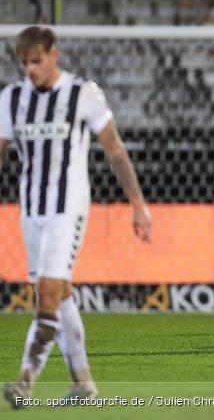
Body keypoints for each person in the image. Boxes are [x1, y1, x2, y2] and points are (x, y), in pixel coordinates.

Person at [2, 27, 153, 409]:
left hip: (68, 208)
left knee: (47, 295)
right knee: (60, 293)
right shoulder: (12, 98)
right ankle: (83, 382)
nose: (30, 70)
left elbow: (115, 151)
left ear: (54, 54)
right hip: (31, 210)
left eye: (36, 61)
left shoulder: (83, 94)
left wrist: (137, 204)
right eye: (24, 63)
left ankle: (24, 383)